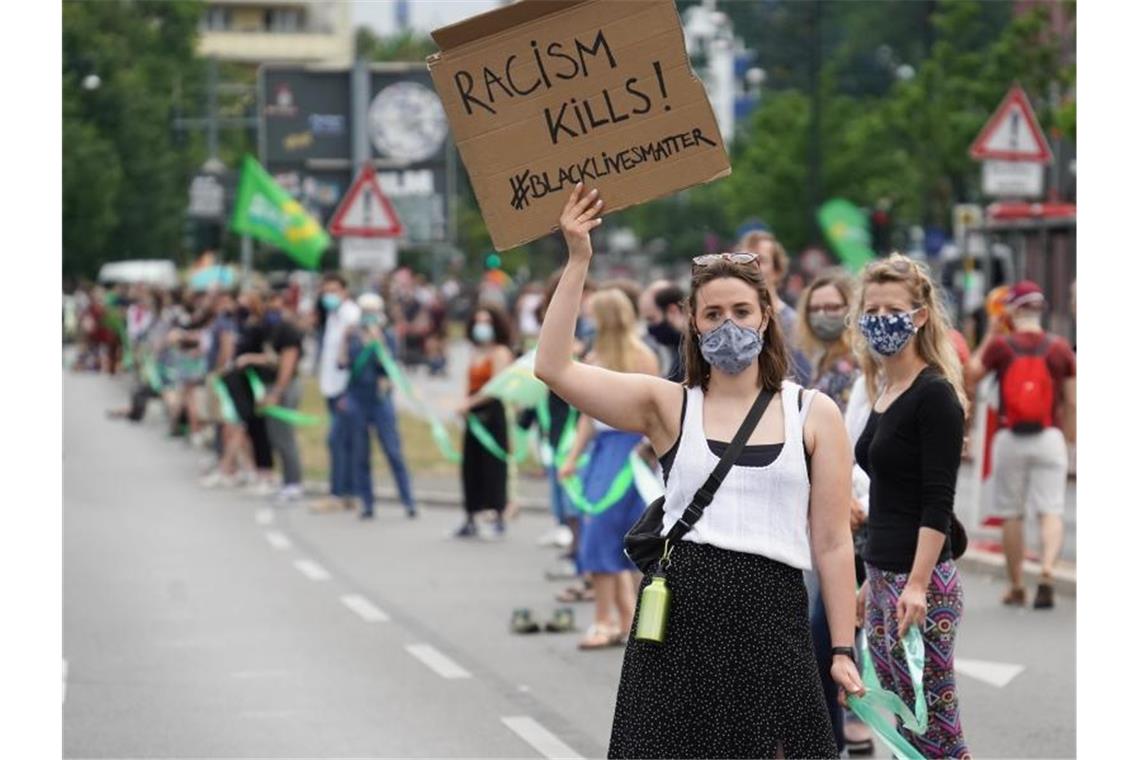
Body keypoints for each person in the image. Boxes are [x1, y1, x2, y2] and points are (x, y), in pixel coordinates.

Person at [536, 184, 862, 759]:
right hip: (682, 620)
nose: (728, 324)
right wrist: (579, 258)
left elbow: (833, 543)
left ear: (766, 317)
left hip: (773, 620)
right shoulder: (668, 405)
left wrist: (841, 649)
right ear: (692, 320)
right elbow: (554, 367)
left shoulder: (814, 412)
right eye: (713, 313)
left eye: (741, 311)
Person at [852, 253, 970, 759]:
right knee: (907, 720)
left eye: (892, 308)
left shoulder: (935, 395)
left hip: (920, 583)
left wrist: (917, 584)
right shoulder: (884, 388)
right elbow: (887, 494)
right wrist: (869, 581)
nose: (880, 318)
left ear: (920, 316)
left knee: (936, 721)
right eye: (871, 308)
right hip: (883, 575)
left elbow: (935, 500)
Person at [795, 268, 873, 756]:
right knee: (824, 629)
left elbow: (849, 442)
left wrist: (844, 494)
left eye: (833, 307)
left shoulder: (858, 369)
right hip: (819, 509)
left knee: (835, 628)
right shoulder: (813, 364)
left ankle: (848, 723)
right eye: (816, 307)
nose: (825, 315)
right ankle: (835, 728)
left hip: (852, 512)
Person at [555, 288, 658, 650]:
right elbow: (587, 416)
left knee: (613, 536)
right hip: (603, 452)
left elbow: (654, 409)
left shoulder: (642, 357)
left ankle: (609, 620)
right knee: (602, 534)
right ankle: (621, 618)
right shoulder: (595, 357)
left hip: (631, 452)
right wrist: (572, 458)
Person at [966, 280, 1076, 610]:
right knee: (1051, 510)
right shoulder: (1059, 348)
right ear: (1041, 309)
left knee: (1011, 512)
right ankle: (1046, 569)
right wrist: (1071, 438)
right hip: (1049, 437)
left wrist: (991, 333)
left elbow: (970, 375)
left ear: (1012, 311)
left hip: (1010, 438)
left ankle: (1016, 585)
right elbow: (1072, 401)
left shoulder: (1002, 347)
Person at [341, 293, 417, 520]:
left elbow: (390, 367)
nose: (369, 316)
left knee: (393, 451)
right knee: (360, 453)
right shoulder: (353, 336)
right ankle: (367, 502)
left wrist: (379, 342)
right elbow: (343, 364)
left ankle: (408, 500)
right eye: (365, 311)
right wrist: (345, 342)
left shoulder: (388, 336)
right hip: (357, 398)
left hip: (380, 399)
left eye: (373, 311)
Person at [240, 286, 306, 503]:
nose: (268, 306)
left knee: (284, 436)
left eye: (272, 301)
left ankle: (294, 483)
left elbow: (287, 362)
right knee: (275, 436)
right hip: (270, 385)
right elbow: (270, 357)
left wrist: (277, 390)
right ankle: (287, 481)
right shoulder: (270, 328)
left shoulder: (287, 329)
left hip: (284, 386)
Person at [454, 304, 515, 538]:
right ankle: (470, 514)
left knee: (494, 465)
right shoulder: (474, 352)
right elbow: (466, 381)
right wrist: (463, 403)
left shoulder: (500, 352)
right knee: (470, 465)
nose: (482, 327)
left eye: (487, 322)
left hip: (491, 414)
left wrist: (469, 403)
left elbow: (495, 387)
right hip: (473, 415)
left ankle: (497, 513)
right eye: (478, 321)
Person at [737, 229, 812, 385]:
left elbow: (802, 379)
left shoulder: (793, 323)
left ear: (777, 271)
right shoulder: (730, 320)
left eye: (761, 260)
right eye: (744, 260)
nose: (751, 266)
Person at [313, 274, 361, 513]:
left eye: (333, 290)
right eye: (325, 291)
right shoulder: (332, 316)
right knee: (344, 442)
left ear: (344, 291)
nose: (328, 296)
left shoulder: (350, 314)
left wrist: (348, 390)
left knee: (337, 441)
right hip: (331, 386)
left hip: (344, 389)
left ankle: (338, 493)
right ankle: (349, 493)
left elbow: (351, 351)